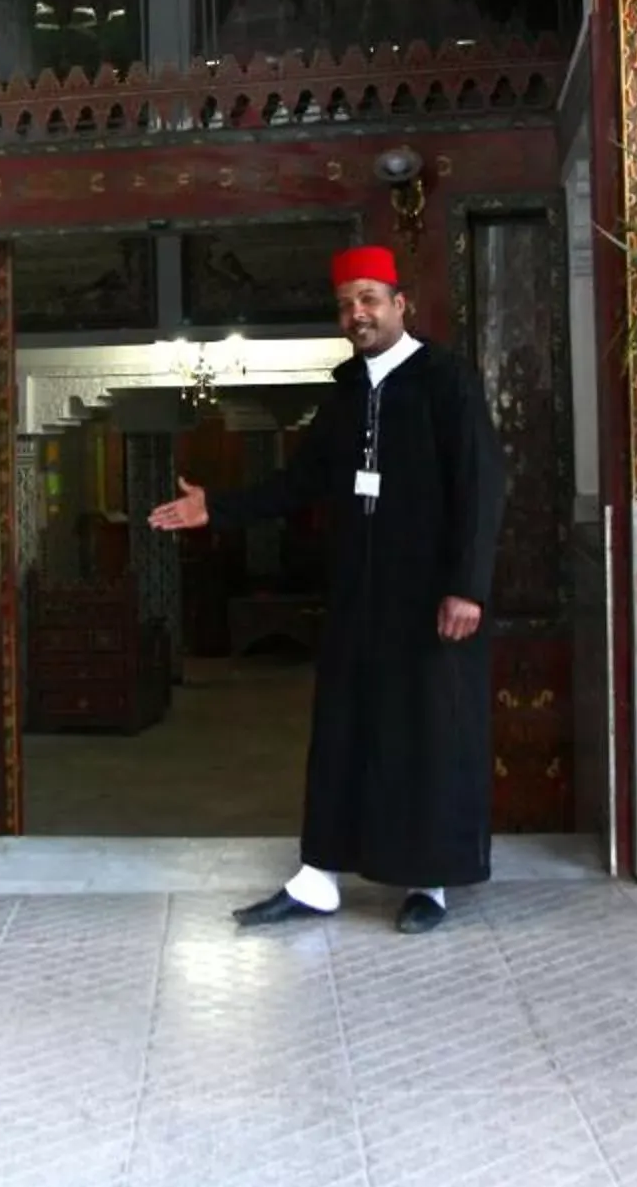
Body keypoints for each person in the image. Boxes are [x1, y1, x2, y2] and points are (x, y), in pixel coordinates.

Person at [149, 243, 505, 934]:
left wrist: (467, 587)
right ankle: (319, 878)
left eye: (370, 299)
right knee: (342, 730)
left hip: (431, 600)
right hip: (357, 599)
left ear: (401, 304)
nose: (357, 313)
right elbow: (301, 482)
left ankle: (426, 882)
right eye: (346, 304)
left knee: (423, 733)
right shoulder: (345, 389)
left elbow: (481, 484)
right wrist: (215, 508)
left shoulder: (446, 379)